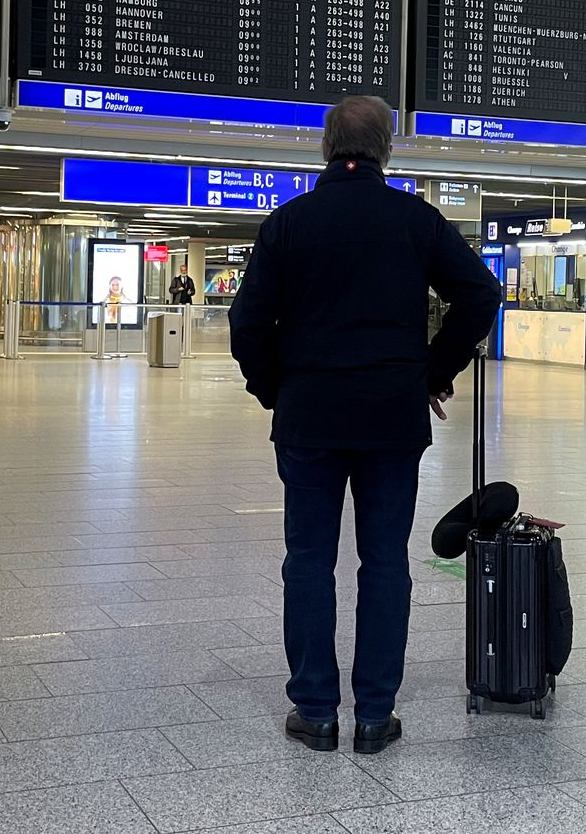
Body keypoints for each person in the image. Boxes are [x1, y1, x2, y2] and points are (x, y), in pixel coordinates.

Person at [230, 95, 499, 755]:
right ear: (386, 149)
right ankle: (375, 714)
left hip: (310, 419)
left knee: (309, 562)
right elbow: (480, 295)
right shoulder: (415, 221)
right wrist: (431, 373)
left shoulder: (287, 224)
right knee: (384, 563)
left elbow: (246, 324)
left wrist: (277, 389)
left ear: (326, 146)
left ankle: (316, 710)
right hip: (391, 417)